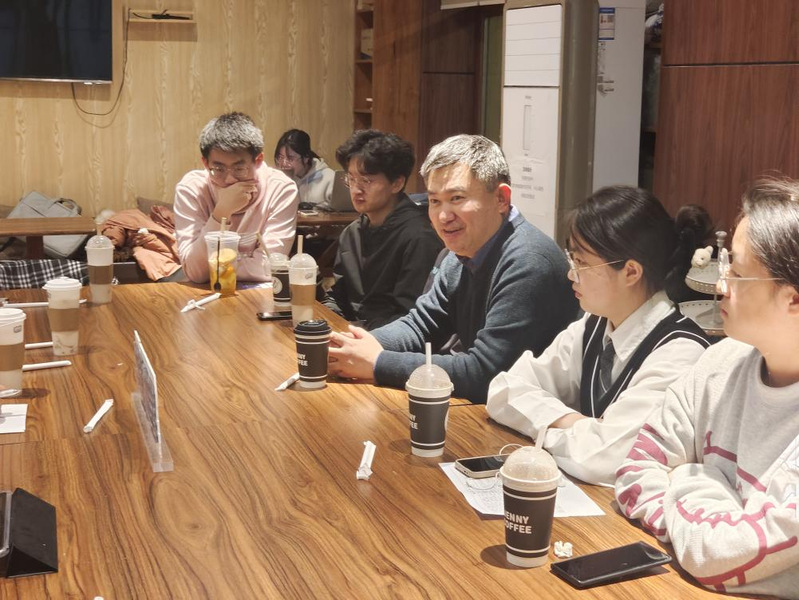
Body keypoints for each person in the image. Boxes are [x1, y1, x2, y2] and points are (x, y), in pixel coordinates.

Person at [615, 177, 799, 598]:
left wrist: (690, 474)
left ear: (793, 299)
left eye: (737, 273)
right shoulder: (720, 362)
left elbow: (720, 557)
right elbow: (633, 472)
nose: (720, 285)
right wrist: (703, 534)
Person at [485, 186, 712, 485]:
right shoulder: (594, 325)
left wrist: (546, 428)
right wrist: (576, 423)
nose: (571, 274)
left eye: (581, 263)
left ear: (631, 272)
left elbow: (603, 459)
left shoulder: (680, 353)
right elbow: (504, 391)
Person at [328, 134, 578, 403]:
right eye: (435, 201)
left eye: (457, 198)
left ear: (501, 198)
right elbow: (421, 325)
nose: (443, 216)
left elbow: (486, 374)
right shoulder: (461, 251)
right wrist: (351, 346)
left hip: (532, 417)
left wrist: (378, 362)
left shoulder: (529, 260)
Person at [322, 129, 443, 329]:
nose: (356, 189)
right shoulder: (352, 233)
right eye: (351, 179)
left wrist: (356, 332)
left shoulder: (419, 238)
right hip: (353, 334)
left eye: (366, 181)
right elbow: (339, 297)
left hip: (390, 340)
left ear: (397, 183)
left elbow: (411, 316)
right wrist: (324, 321)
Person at [174, 112, 299, 283]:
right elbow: (195, 271)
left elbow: (269, 266)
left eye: (239, 169)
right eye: (219, 169)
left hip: (258, 296)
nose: (229, 179)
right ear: (206, 163)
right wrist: (221, 212)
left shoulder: (281, 189)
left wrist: (214, 266)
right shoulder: (192, 189)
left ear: (258, 160)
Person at [273, 129, 336, 210]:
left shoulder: (330, 178)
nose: (284, 164)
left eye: (290, 158)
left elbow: (341, 213)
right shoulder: (282, 178)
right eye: (280, 157)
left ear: (306, 157)